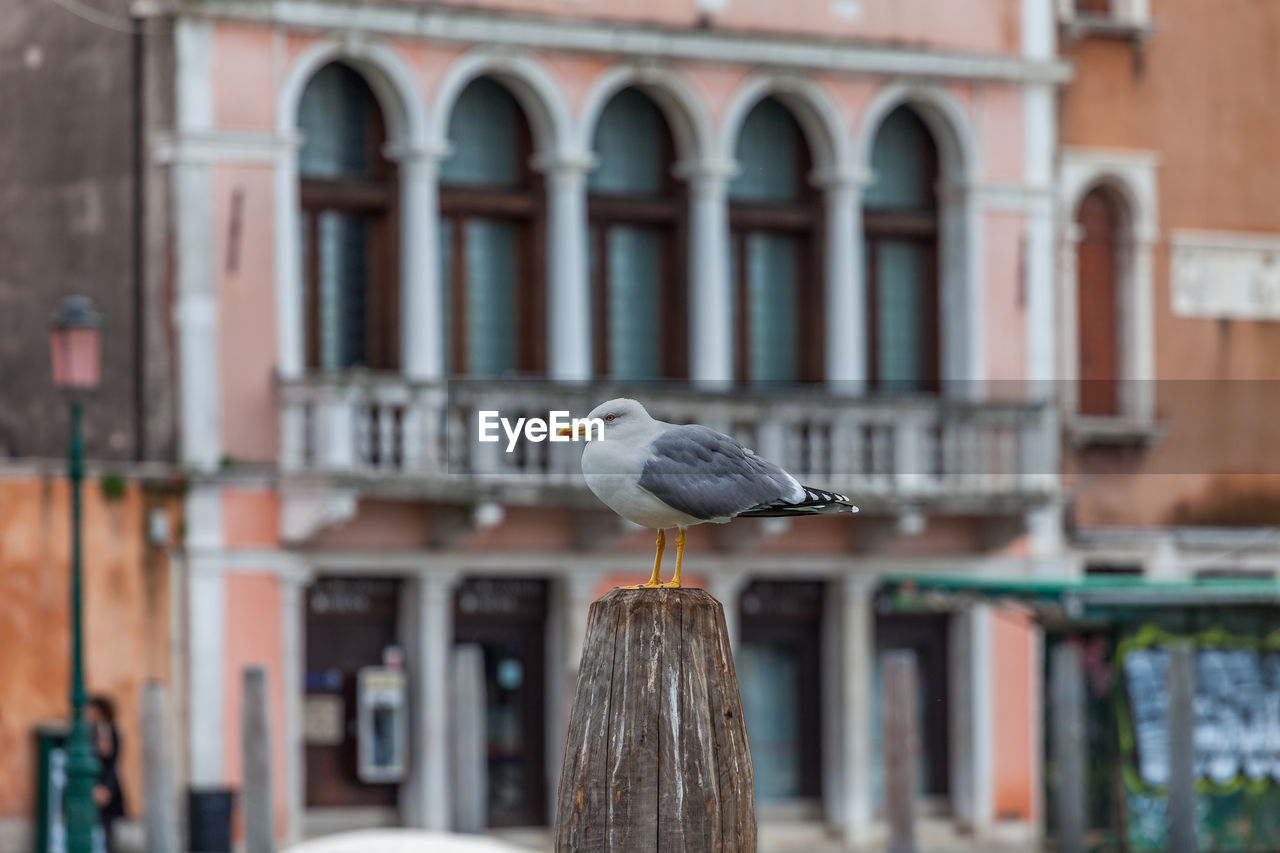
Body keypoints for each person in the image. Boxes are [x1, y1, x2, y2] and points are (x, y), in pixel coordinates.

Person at [87, 696, 126, 853]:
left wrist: (106, 788)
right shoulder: (90, 731)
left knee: (108, 827)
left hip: (108, 784)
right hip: (93, 783)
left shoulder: (112, 732)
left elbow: (114, 762)